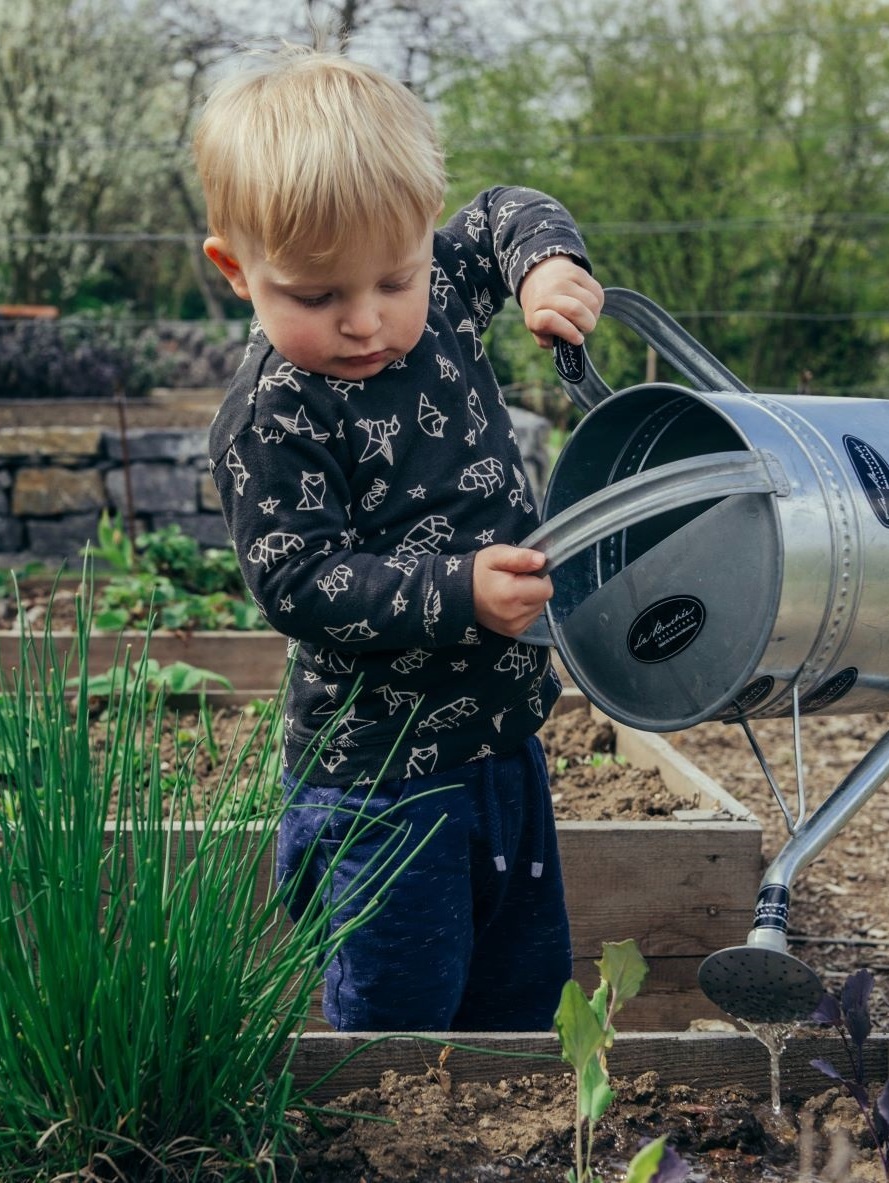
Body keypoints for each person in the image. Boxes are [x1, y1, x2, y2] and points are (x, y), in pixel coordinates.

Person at [193, 46, 604, 1032]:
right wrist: (457, 591)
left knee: (520, 986)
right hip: (380, 783)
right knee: (400, 1017)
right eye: (314, 295)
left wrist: (547, 265)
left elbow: (506, 208)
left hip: (505, 743)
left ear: (424, 236)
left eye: (393, 277)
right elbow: (299, 580)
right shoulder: (274, 416)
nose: (365, 321)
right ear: (234, 270)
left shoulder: (449, 291)